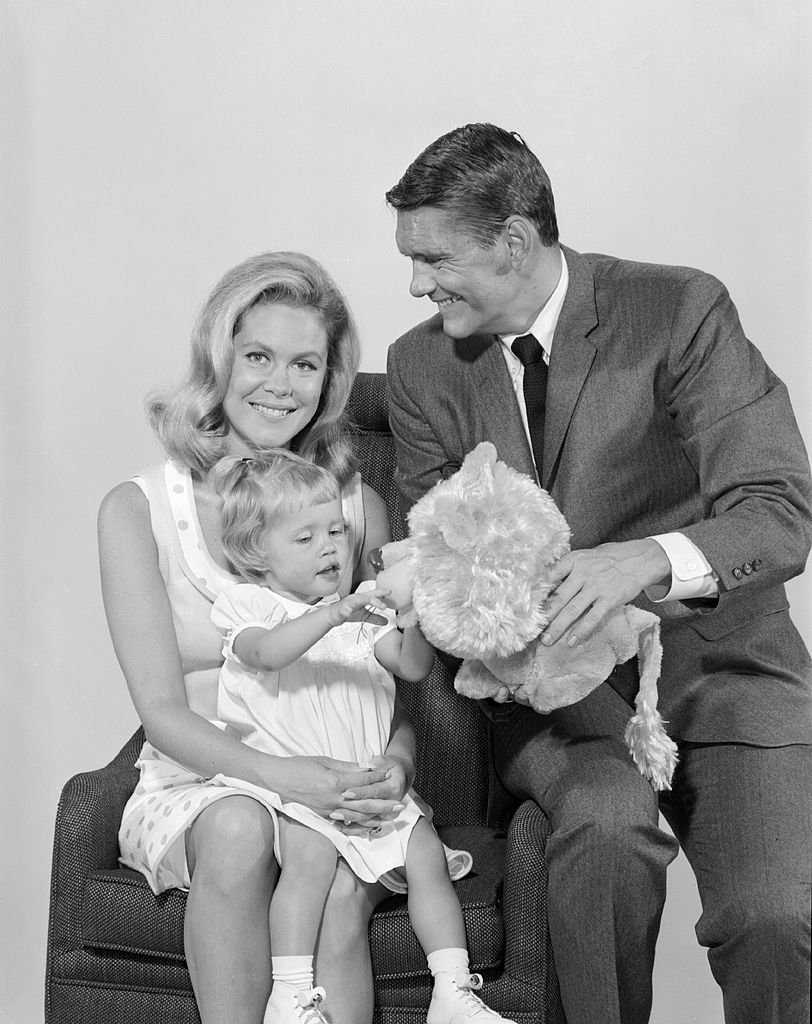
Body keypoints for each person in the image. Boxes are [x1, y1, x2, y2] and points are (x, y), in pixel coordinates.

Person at [384, 123, 812, 1024]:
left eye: (433, 257)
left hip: (726, 670)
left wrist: (649, 559)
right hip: (552, 700)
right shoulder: (423, 365)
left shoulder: (679, 309)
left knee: (773, 914)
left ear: (512, 240)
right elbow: (435, 561)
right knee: (609, 835)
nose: (417, 284)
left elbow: (779, 510)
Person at [98, 251, 414, 1024]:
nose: (279, 383)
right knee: (240, 827)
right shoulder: (135, 510)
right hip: (197, 781)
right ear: (220, 360)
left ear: (328, 380)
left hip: (336, 773)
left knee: (336, 871)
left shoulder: (354, 507)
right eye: (258, 356)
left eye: (304, 363)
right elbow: (163, 712)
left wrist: (398, 765)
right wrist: (285, 779)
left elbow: (389, 669)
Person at [206, 449, 511, 1024]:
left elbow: (412, 667)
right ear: (255, 552)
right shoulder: (250, 607)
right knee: (311, 863)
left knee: (426, 852)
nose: (330, 547)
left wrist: (415, 618)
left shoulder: (363, 621)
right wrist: (333, 613)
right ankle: (291, 995)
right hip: (302, 794)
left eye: (337, 531)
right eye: (305, 538)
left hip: (371, 790)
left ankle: (452, 991)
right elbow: (268, 655)